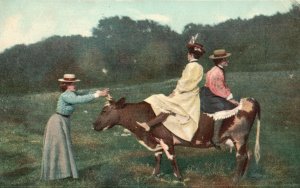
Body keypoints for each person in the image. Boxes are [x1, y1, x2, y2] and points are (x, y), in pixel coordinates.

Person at [41, 74, 109, 181]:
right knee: (58, 147)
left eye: (73, 83)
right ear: (67, 85)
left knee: (63, 147)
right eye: (72, 84)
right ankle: (55, 175)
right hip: (57, 122)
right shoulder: (66, 95)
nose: (74, 85)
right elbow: (79, 100)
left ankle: (62, 174)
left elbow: (85, 93)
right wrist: (98, 95)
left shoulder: (71, 93)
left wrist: (99, 92)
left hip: (62, 121)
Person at [137, 35, 205, 142]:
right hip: (192, 95)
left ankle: (149, 125)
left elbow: (185, 83)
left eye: (188, 54)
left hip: (186, 95)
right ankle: (149, 125)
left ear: (191, 55)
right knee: (167, 107)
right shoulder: (200, 67)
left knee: (160, 101)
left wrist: (175, 92)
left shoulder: (190, 66)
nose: (187, 56)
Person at [200, 49, 239, 148]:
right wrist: (229, 98)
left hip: (214, 94)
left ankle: (226, 133)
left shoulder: (219, 69)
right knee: (224, 109)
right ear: (220, 60)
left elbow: (222, 86)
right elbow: (218, 88)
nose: (227, 61)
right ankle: (215, 138)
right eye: (225, 59)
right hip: (209, 97)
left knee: (231, 105)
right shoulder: (216, 72)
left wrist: (229, 96)